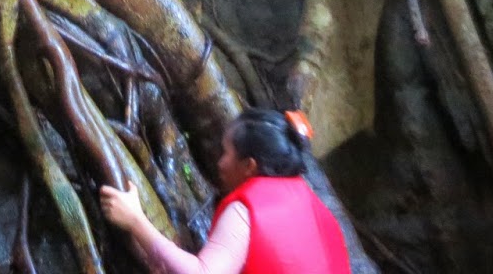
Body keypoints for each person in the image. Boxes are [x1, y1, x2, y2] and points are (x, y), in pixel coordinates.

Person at [100, 108, 352, 274]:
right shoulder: (313, 204)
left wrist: (136, 221)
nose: (219, 163)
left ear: (249, 165)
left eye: (226, 152)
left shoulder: (247, 211)